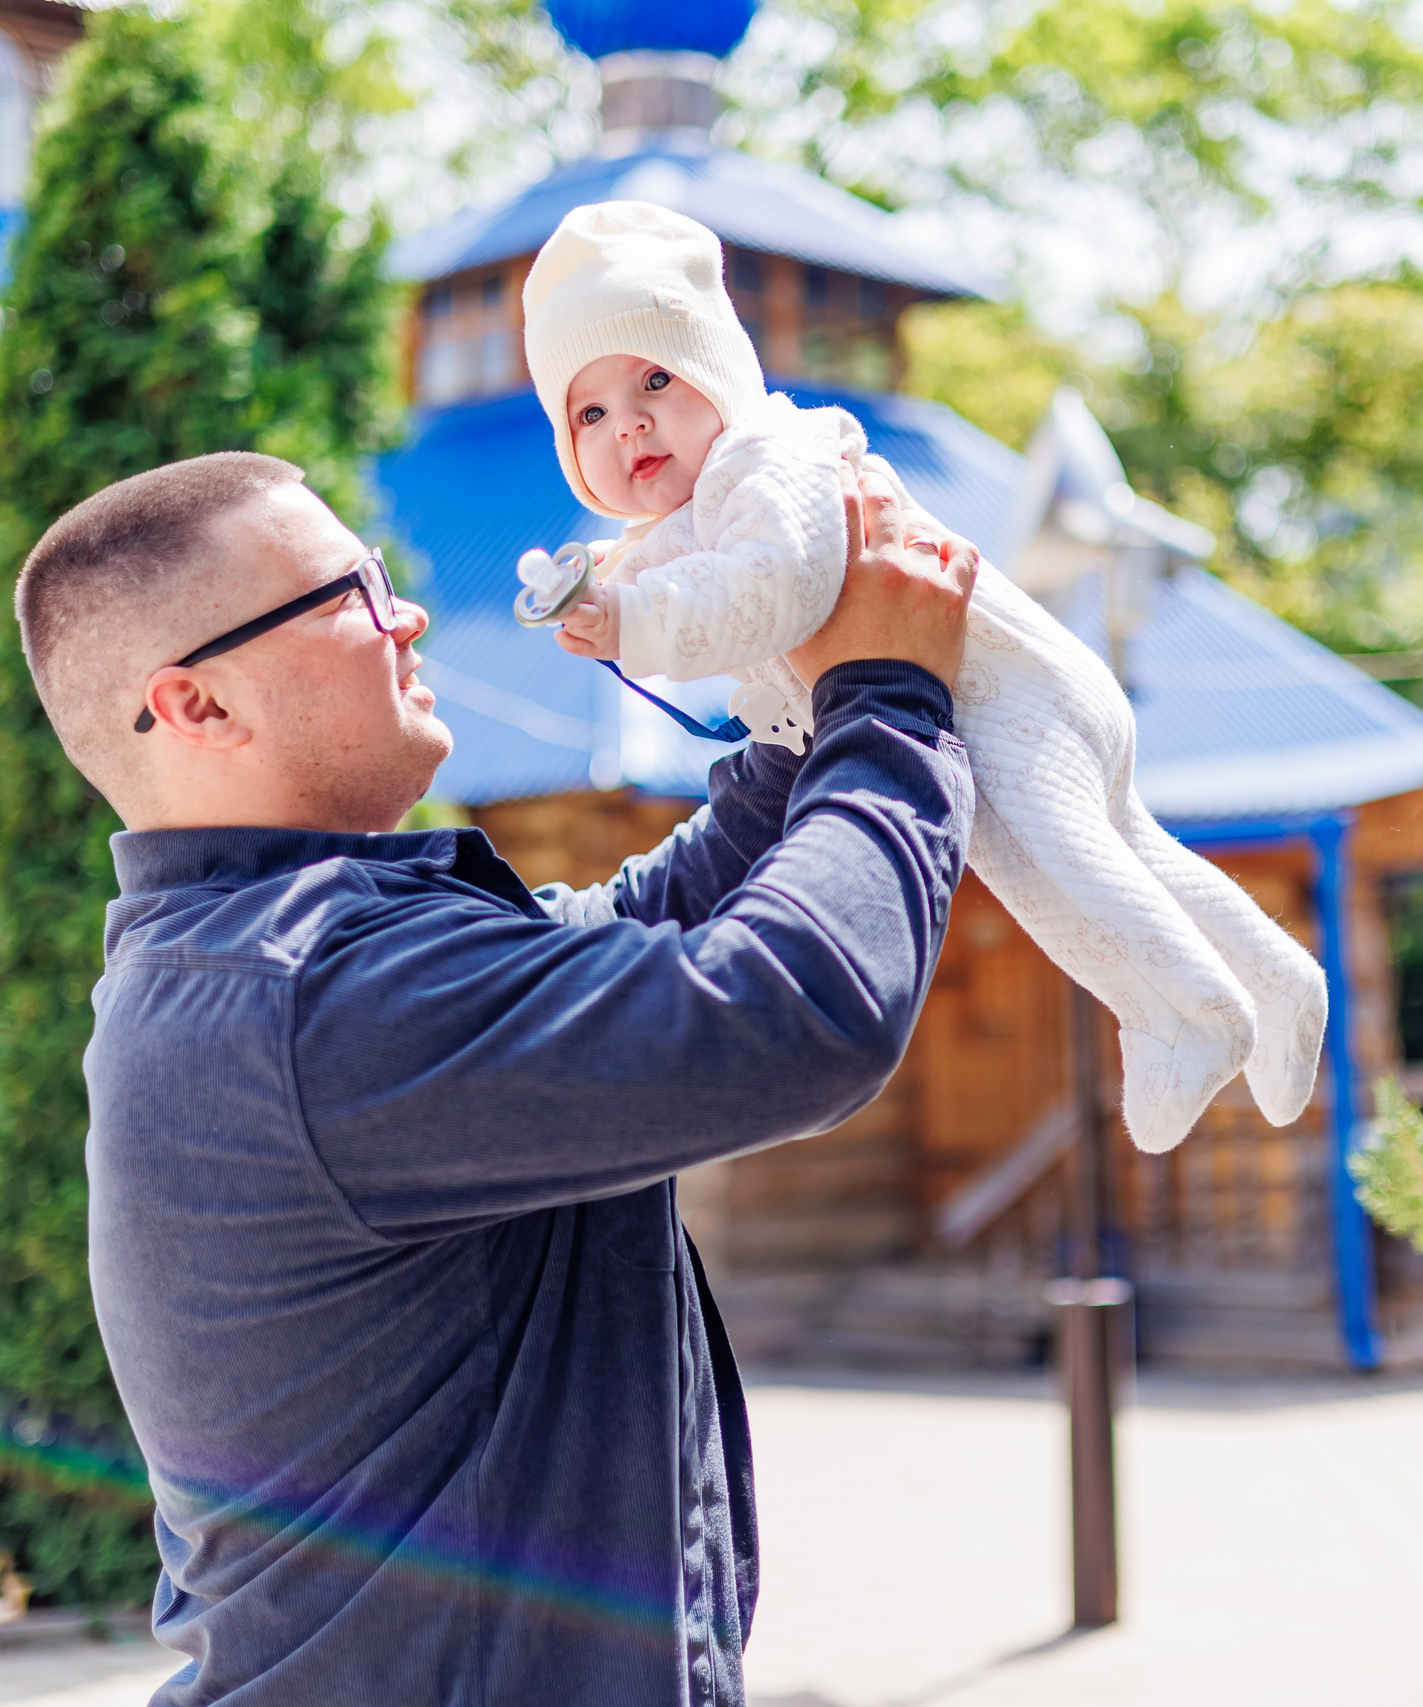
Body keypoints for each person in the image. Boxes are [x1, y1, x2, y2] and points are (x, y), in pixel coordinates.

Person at [19, 446, 977, 1704]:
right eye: (350, 594)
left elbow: (631, 931)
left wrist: (795, 720)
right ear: (197, 705)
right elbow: (792, 1013)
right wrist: (892, 698)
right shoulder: (307, 995)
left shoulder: (274, 956)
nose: (404, 610)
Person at [517, 199, 1327, 1153]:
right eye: (591, 412)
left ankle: (1183, 1013)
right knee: (1128, 848)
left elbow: (776, 583)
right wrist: (595, 597)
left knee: (1052, 870)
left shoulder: (764, 463)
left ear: (723, 374)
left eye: (657, 377)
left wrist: (636, 620)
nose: (632, 423)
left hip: (999, 699)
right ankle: (1277, 980)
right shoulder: (690, 514)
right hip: (1016, 691)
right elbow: (668, 569)